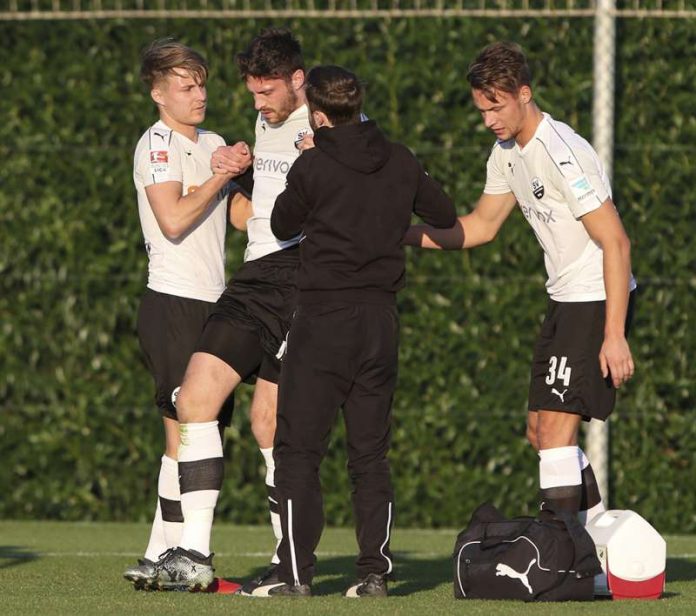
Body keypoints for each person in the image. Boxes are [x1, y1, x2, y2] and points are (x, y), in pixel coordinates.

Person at [246, 65, 457, 598]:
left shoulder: (313, 165)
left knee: (298, 451)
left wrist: (306, 163)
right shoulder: (402, 159)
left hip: (322, 321)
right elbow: (445, 214)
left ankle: (295, 575)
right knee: (369, 455)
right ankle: (374, 574)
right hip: (380, 323)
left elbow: (281, 226)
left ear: (317, 115)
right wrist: (384, 226)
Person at [405, 42, 636, 524]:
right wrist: (396, 236)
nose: (489, 119)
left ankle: (567, 555)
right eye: (481, 108)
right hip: (564, 299)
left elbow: (615, 242)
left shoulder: (562, 153)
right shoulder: (506, 152)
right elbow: (481, 226)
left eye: (496, 106)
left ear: (524, 93)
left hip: (594, 298)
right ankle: (592, 544)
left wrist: (614, 335)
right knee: (539, 432)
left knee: (555, 432)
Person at [147, 28, 312, 592]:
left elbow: (364, 184)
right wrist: (231, 170)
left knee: (268, 423)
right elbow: (225, 215)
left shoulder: (324, 126)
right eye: (251, 93)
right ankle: (185, 556)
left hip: (299, 281)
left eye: (266, 92)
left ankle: (286, 563)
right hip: (234, 285)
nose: (258, 105)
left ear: (298, 81)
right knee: (190, 406)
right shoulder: (247, 132)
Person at [123, 38, 251, 588]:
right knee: (185, 434)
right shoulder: (155, 145)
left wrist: (250, 169)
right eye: (185, 85)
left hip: (214, 302)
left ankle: (161, 555)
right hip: (173, 301)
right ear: (158, 94)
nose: (199, 94)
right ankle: (175, 556)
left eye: (201, 83)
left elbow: (243, 219)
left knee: (192, 433)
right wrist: (221, 176)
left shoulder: (215, 141)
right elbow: (173, 220)